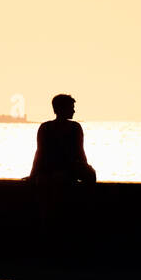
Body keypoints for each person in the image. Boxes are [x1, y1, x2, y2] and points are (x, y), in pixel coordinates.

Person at [27, 94, 96, 255]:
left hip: (48, 171)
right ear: (62, 109)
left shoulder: (45, 127)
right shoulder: (75, 128)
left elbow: (39, 153)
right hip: (67, 170)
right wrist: (85, 168)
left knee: (47, 210)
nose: (74, 110)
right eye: (71, 107)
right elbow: (80, 152)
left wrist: (33, 175)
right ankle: (88, 211)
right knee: (90, 176)